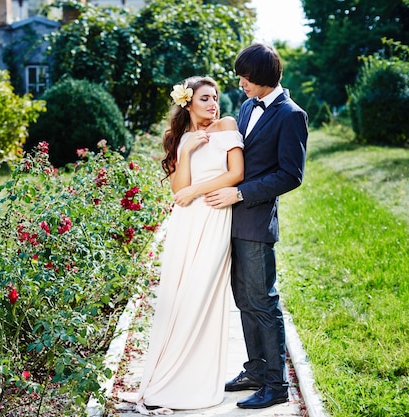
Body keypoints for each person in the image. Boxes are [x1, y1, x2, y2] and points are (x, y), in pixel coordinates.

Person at [204, 43, 308, 409]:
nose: (241, 82)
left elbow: (290, 175)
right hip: (228, 221)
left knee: (264, 302)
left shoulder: (291, 115)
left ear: (263, 77)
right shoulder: (247, 106)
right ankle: (255, 370)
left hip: (256, 221)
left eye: (246, 77)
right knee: (244, 301)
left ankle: (276, 386)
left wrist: (241, 194)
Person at [132, 76, 244, 415]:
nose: (214, 104)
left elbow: (236, 173)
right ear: (188, 104)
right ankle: (171, 376)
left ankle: (195, 380)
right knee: (178, 298)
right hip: (186, 225)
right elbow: (177, 192)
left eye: (215, 97)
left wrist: (196, 190)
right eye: (205, 98)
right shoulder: (180, 139)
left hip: (214, 221)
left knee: (202, 295)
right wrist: (184, 150)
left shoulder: (226, 125)